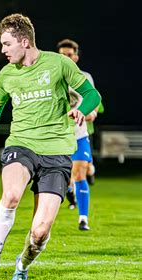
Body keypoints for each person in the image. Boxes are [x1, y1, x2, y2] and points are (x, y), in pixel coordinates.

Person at [0, 14, 101, 280]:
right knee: (11, 195)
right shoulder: (6, 74)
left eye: (6, 43)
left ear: (24, 42)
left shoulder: (60, 64)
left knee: (40, 232)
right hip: (21, 145)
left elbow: (93, 95)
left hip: (58, 153)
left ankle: (22, 268)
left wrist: (81, 111)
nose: (2, 50)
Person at [57, 38, 102, 230]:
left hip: (80, 135)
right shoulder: (53, 78)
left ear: (75, 57)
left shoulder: (85, 77)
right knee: (66, 177)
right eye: (62, 55)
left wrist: (91, 112)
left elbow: (94, 99)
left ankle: (83, 219)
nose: (66, 58)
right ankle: (70, 191)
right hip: (58, 136)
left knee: (80, 171)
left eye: (69, 55)